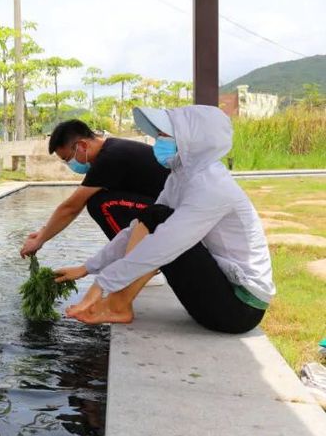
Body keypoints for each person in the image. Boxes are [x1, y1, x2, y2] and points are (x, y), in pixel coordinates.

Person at [54, 105, 275, 333]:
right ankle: (119, 303)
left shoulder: (212, 186)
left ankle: (118, 304)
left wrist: (103, 283)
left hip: (239, 309)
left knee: (160, 222)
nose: (159, 141)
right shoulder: (181, 177)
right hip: (217, 297)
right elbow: (138, 228)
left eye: (165, 135)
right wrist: (87, 268)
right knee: (154, 215)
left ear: (192, 139)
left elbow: (162, 245)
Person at [20, 119, 170, 258]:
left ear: (82, 146)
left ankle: (134, 258)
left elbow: (71, 207)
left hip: (172, 212)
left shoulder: (109, 158)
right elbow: (74, 206)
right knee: (99, 198)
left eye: (67, 158)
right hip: (163, 206)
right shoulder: (111, 149)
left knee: (100, 203)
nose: (69, 164)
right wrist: (44, 232)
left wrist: (40, 240)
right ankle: (135, 253)